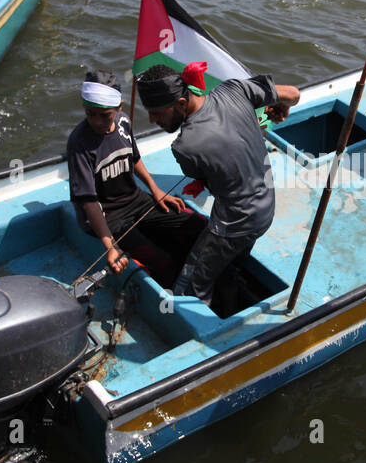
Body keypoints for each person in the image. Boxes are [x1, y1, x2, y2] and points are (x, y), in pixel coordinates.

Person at [137, 61, 300, 307]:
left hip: (234, 224)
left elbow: (202, 176)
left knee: (188, 286)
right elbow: (294, 94)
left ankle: (197, 323)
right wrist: (279, 105)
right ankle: (230, 289)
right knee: (231, 264)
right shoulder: (233, 89)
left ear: (181, 104)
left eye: (157, 113)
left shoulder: (185, 147)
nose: (151, 119)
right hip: (266, 211)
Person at [67, 72, 204, 285]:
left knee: (198, 225)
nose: (97, 121)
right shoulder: (79, 142)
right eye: (90, 114)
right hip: (109, 217)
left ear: (119, 107)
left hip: (135, 200)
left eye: (105, 115)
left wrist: (155, 190)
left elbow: (135, 158)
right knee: (162, 262)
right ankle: (175, 294)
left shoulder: (123, 122)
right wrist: (111, 247)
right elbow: (88, 201)